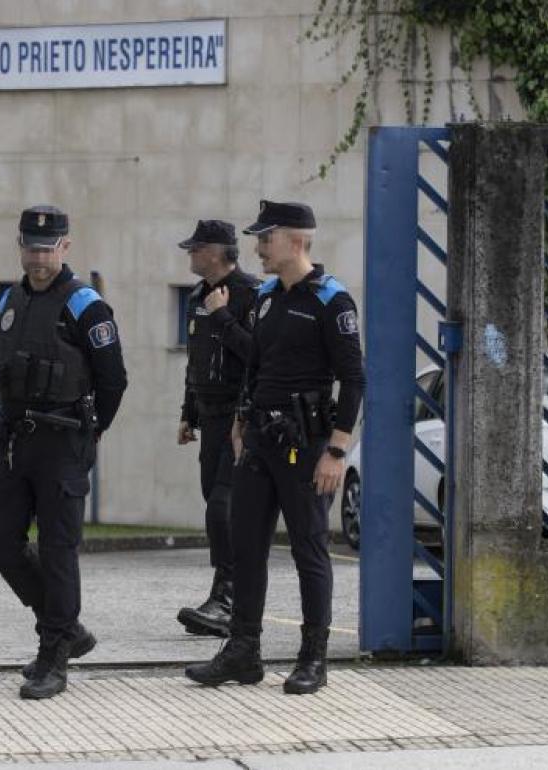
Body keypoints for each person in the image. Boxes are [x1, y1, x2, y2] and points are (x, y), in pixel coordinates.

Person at [185, 200, 365, 696]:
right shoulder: (266, 297)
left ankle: (313, 658)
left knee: (309, 549)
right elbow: (255, 367)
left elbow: (353, 380)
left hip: (306, 445)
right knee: (246, 546)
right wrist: (243, 420)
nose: (259, 248)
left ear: (297, 240)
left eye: (267, 238)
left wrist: (337, 450)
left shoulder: (332, 300)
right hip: (260, 442)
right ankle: (243, 651)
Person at [0, 205, 128, 700]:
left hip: (64, 441)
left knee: (58, 550)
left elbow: (114, 380)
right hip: (17, 440)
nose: (38, 256)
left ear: (65, 247)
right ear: (19, 245)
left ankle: (54, 655)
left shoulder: (85, 305)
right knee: (0, 541)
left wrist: (94, 433)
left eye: (48, 248)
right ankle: (67, 628)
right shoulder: (11, 297)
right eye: (30, 246)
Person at [174, 220, 259, 638]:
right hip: (209, 417)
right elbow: (196, 360)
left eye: (196, 248)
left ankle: (226, 599)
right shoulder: (197, 296)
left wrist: (224, 316)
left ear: (217, 252)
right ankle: (227, 596)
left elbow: (256, 357)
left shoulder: (251, 294)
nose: (189, 254)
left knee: (223, 508)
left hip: (239, 419)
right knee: (214, 503)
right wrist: (188, 412)